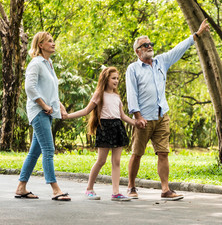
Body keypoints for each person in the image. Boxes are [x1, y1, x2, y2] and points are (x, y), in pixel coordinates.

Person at [126, 19, 210, 200]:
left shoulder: (161, 62)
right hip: (144, 119)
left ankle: (165, 189)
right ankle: (131, 187)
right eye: (144, 45)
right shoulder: (133, 68)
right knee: (137, 153)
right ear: (137, 51)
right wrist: (137, 116)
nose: (149, 46)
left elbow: (178, 49)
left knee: (163, 152)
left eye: (150, 44)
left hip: (161, 115)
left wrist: (196, 34)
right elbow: (131, 93)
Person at [63, 67, 137, 201]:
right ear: (106, 79)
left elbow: (122, 116)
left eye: (117, 79)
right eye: (113, 78)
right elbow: (86, 110)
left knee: (117, 161)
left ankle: (116, 192)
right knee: (101, 160)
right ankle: (89, 189)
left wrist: (135, 123)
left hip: (117, 127)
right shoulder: (99, 94)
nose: (116, 81)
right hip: (105, 128)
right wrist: (68, 116)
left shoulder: (116, 96)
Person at [15, 32, 71, 201]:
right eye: (49, 41)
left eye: (53, 41)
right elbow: (30, 88)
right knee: (48, 149)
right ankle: (55, 189)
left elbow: (51, 90)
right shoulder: (36, 63)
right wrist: (44, 105)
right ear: (40, 44)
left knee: (34, 152)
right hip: (39, 111)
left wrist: (58, 105)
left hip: (48, 111)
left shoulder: (49, 63)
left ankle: (21, 187)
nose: (53, 43)